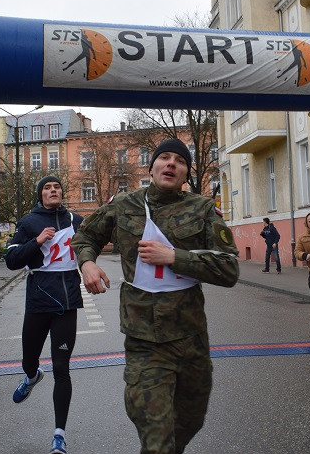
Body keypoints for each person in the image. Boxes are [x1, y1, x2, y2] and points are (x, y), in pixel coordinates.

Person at [72, 138, 239, 454]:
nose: (171, 163)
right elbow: (86, 236)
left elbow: (229, 269)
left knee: (189, 422)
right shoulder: (124, 205)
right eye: (164, 157)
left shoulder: (202, 210)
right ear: (152, 167)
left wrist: (174, 256)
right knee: (156, 436)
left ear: (186, 173)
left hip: (191, 339)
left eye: (179, 160)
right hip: (144, 340)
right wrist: (88, 263)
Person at [5, 175, 84, 454]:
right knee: (29, 359)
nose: (53, 190)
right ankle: (30, 376)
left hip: (67, 303)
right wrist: (37, 241)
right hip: (39, 301)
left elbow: (91, 246)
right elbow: (11, 261)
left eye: (57, 187)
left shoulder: (76, 221)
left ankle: (59, 436)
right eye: (48, 188)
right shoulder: (29, 222)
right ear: (41, 195)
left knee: (62, 369)